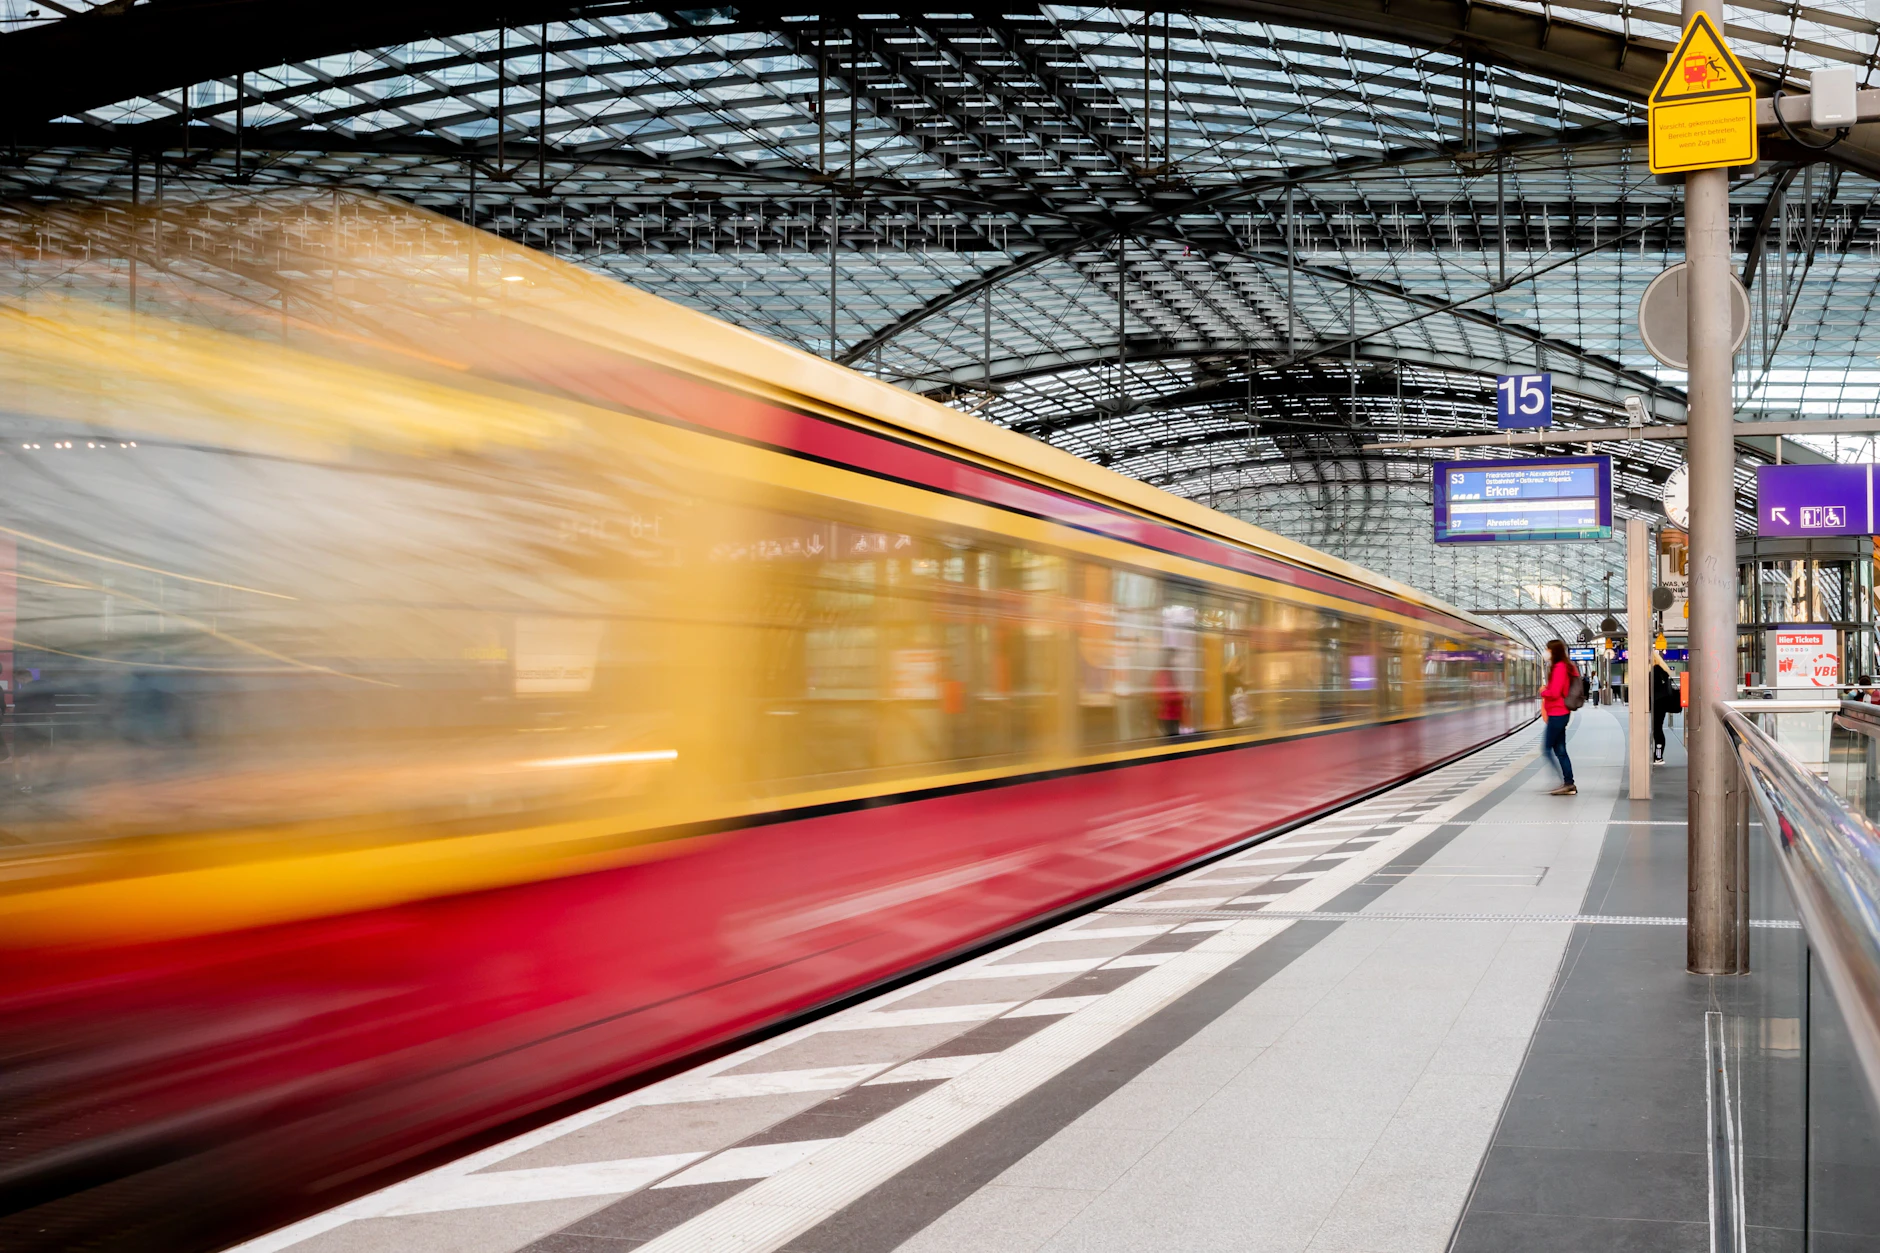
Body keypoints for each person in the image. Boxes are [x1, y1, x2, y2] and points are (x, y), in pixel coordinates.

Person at [1540, 639, 1577, 795]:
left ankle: (1565, 782)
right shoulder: (1561, 667)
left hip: (1558, 713)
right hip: (1559, 713)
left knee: (1547, 749)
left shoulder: (1560, 667)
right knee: (1560, 749)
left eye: (1547, 649)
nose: (1546, 652)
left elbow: (1555, 693)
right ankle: (1568, 783)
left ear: (1553, 651)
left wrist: (1543, 691)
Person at [1650, 651, 1676, 765]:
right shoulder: (1662, 671)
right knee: (1658, 729)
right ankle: (1658, 756)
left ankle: (1658, 756)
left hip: (1657, 704)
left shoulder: (1654, 671)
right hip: (1662, 704)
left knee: (1657, 730)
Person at [1153, 649, 1184, 737]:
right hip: (1167, 716)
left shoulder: (1172, 673)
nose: (1177, 661)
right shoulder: (1163, 674)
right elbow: (1164, 696)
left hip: (1174, 715)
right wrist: (1181, 696)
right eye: (1175, 658)